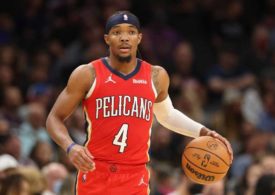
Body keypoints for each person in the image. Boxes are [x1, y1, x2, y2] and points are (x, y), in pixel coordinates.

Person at [46, 10, 233, 195]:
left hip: (135, 176)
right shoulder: (87, 74)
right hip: (96, 170)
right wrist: (70, 146)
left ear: (139, 38)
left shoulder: (156, 76)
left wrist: (204, 132)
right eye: (117, 32)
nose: (124, 37)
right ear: (106, 39)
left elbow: (167, 115)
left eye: (131, 32)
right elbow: (54, 118)